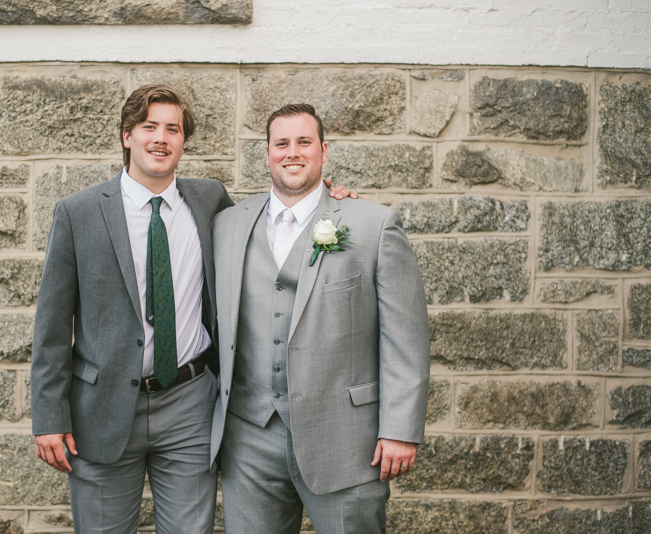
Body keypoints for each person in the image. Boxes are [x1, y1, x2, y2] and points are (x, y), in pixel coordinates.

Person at [31, 86, 354, 534]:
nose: (160, 139)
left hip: (190, 406)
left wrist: (331, 203)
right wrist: (49, 417)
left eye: (173, 129)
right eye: (149, 127)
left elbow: (277, 215)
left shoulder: (210, 203)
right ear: (127, 136)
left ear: (183, 141)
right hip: (102, 408)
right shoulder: (77, 213)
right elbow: (50, 327)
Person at [209, 103, 431, 533]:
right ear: (268, 153)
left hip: (348, 440)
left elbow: (406, 336)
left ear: (324, 151)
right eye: (282, 143)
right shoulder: (227, 224)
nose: (293, 153)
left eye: (304, 142)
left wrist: (401, 429)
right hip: (250, 438)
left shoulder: (374, 225)